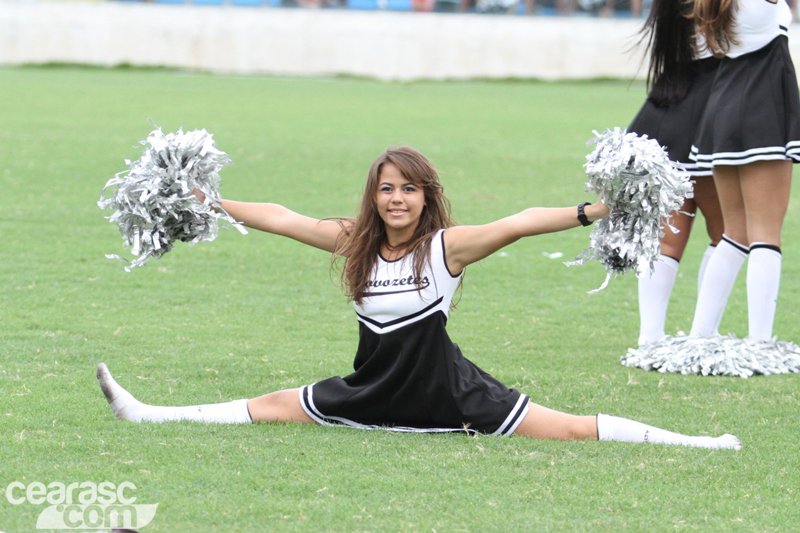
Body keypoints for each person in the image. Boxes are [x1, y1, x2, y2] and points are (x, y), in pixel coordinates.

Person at [97, 146, 742, 450]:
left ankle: (696, 443)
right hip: (372, 392)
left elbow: (516, 222)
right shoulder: (353, 243)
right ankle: (145, 413)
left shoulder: (446, 249)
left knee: (569, 427)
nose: (396, 199)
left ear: (426, 198)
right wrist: (207, 201)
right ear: (373, 197)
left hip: (452, 395)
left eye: (408, 189)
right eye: (386, 189)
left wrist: (594, 209)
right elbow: (281, 216)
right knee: (270, 405)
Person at [688, 0, 799, 341]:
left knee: (735, 234)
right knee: (766, 233)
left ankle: (700, 335)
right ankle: (761, 342)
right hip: (761, 109)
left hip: (723, 108)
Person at [627, 0, 724, 345]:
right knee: (727, 234)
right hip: (714, 106)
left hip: (670, 108)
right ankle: (704, 335)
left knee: (668, 237)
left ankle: (650, 336)